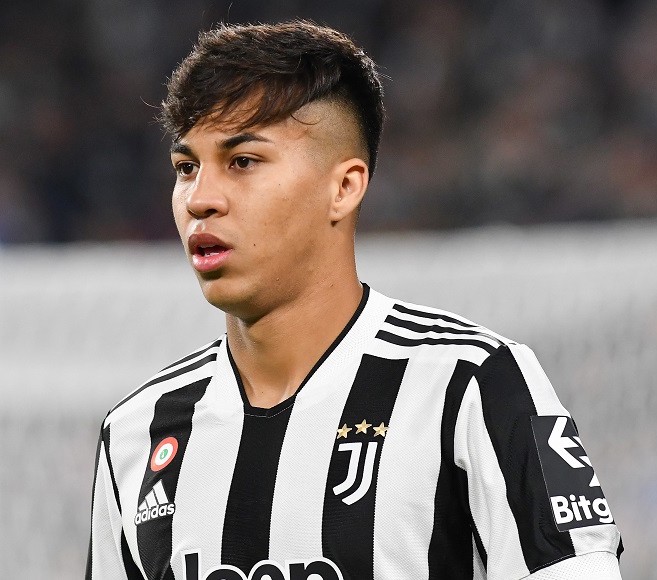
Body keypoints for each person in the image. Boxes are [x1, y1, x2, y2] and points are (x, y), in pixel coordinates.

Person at [87, 20, 623, 580]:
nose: (200, 199)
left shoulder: (474, 384)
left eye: (242, 161)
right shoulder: (136, 430)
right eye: (186, 168)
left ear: (344, 187)